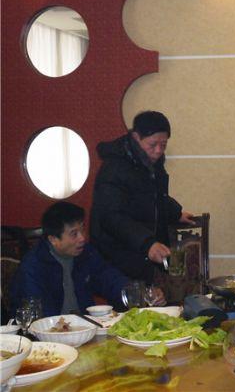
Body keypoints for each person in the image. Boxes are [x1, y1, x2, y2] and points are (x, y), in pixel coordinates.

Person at [90, 111, 194, 283]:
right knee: (131, 297)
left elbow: (155, 196)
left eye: (163, 145)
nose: (158, 151)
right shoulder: (115, 167)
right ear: (136, 137)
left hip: (139, 250)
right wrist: (146, 243)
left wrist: (176, 213)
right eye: (153, 144)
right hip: (118, 252)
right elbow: (111, 216)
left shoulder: (148, 161)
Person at [9, 202, 141, 317]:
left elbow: (108, 278)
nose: (82, 238)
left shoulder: (86, 254)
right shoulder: (33, 266)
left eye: (82, 230)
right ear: (53, 239)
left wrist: (135, 293)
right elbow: (37, 313)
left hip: (87, 327)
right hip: (52, 332)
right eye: (74, 234)